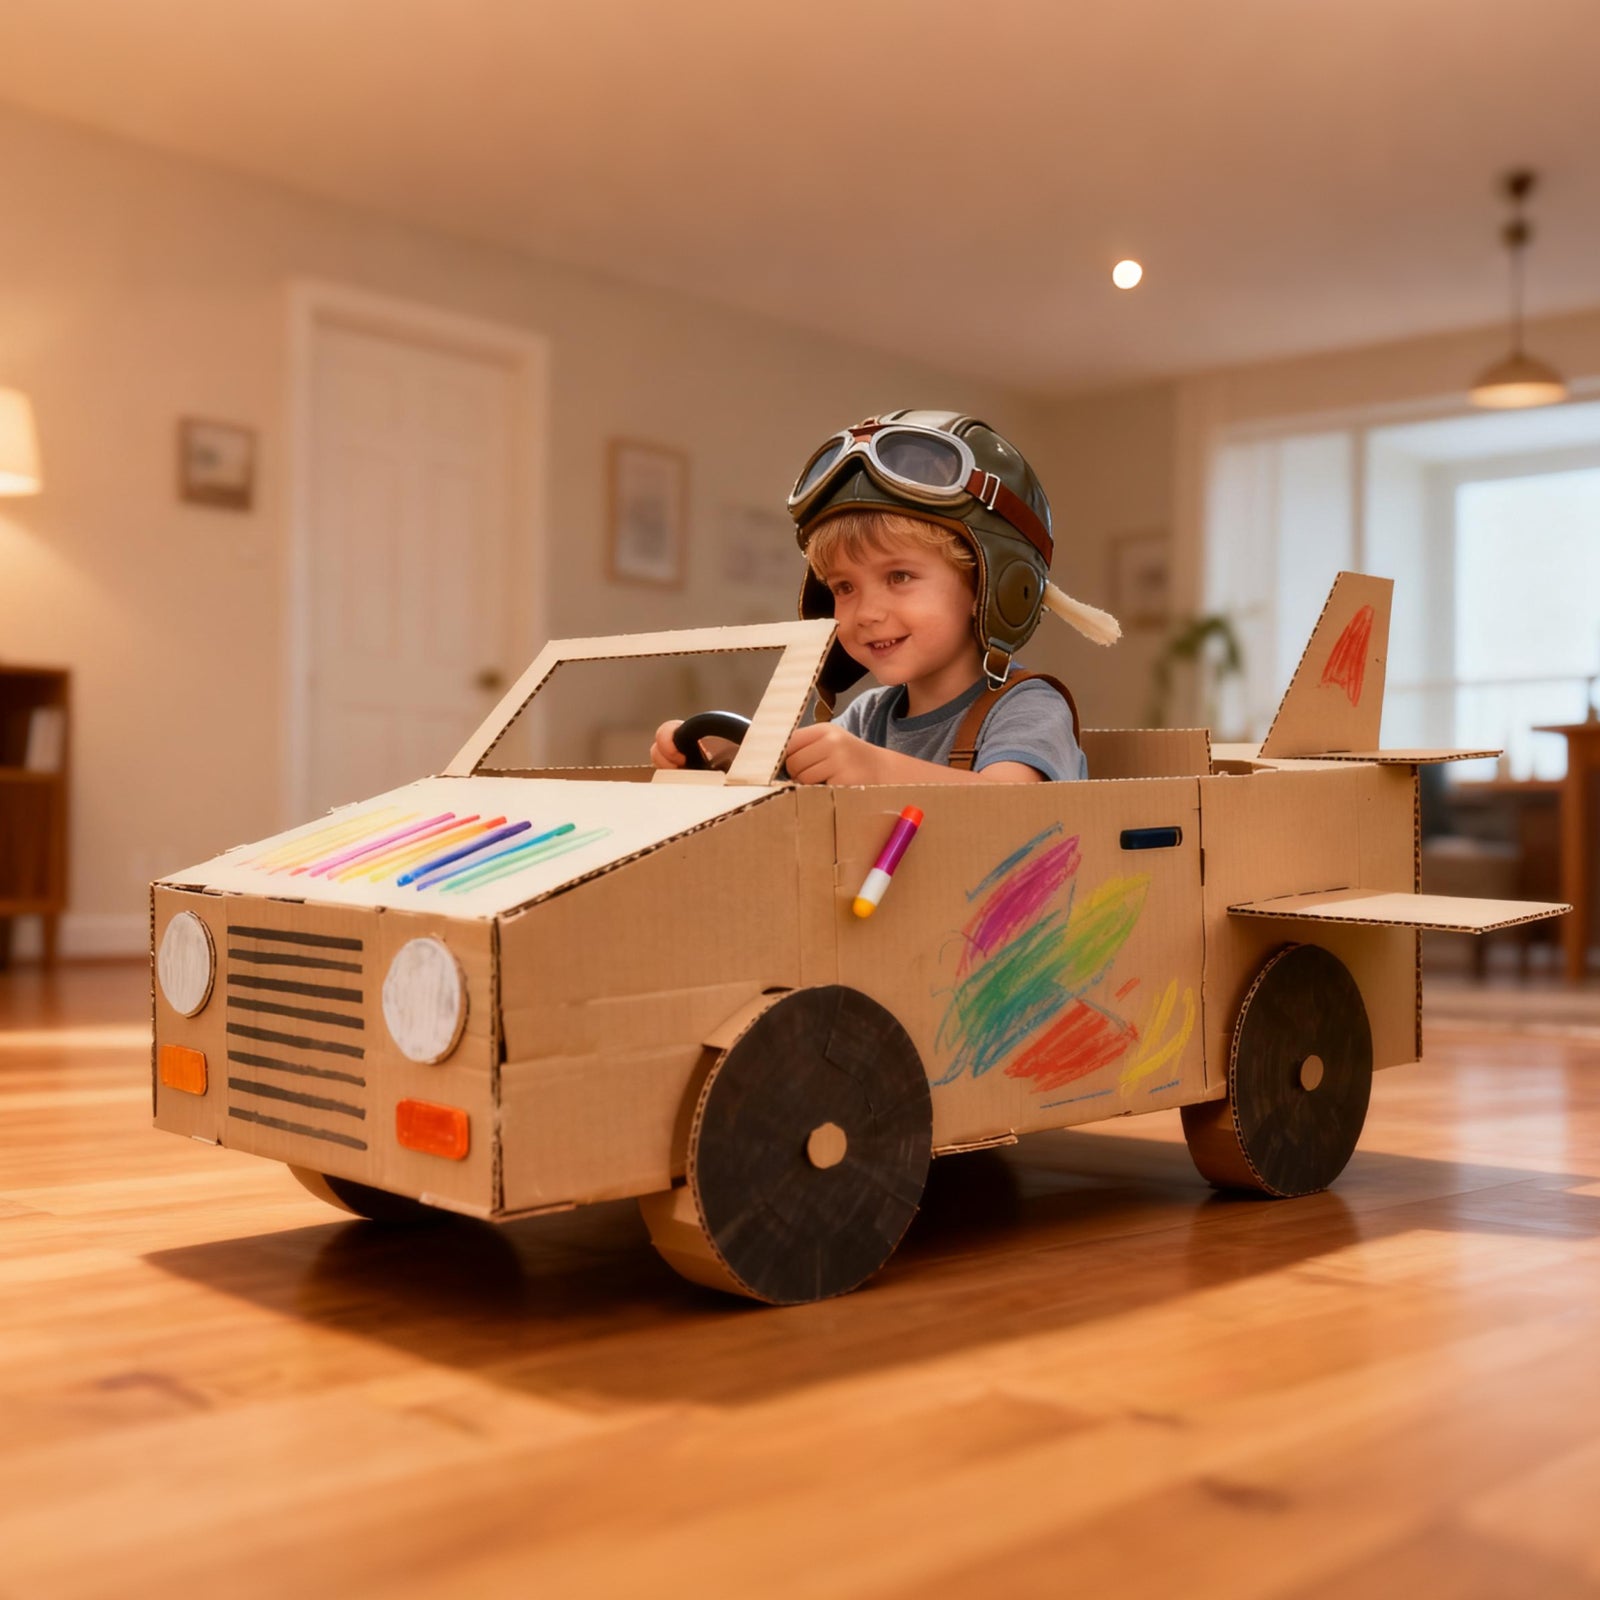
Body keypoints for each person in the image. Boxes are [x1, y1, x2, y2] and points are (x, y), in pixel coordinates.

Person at [651, 410, 1118, 784]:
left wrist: (872, 769)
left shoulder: (1028, 707)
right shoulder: (867, 717)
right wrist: (715, 758)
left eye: (898, 576)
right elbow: (792, 780)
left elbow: (1014, 810)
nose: (867, 613)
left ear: (991, 587)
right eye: (844, 587)